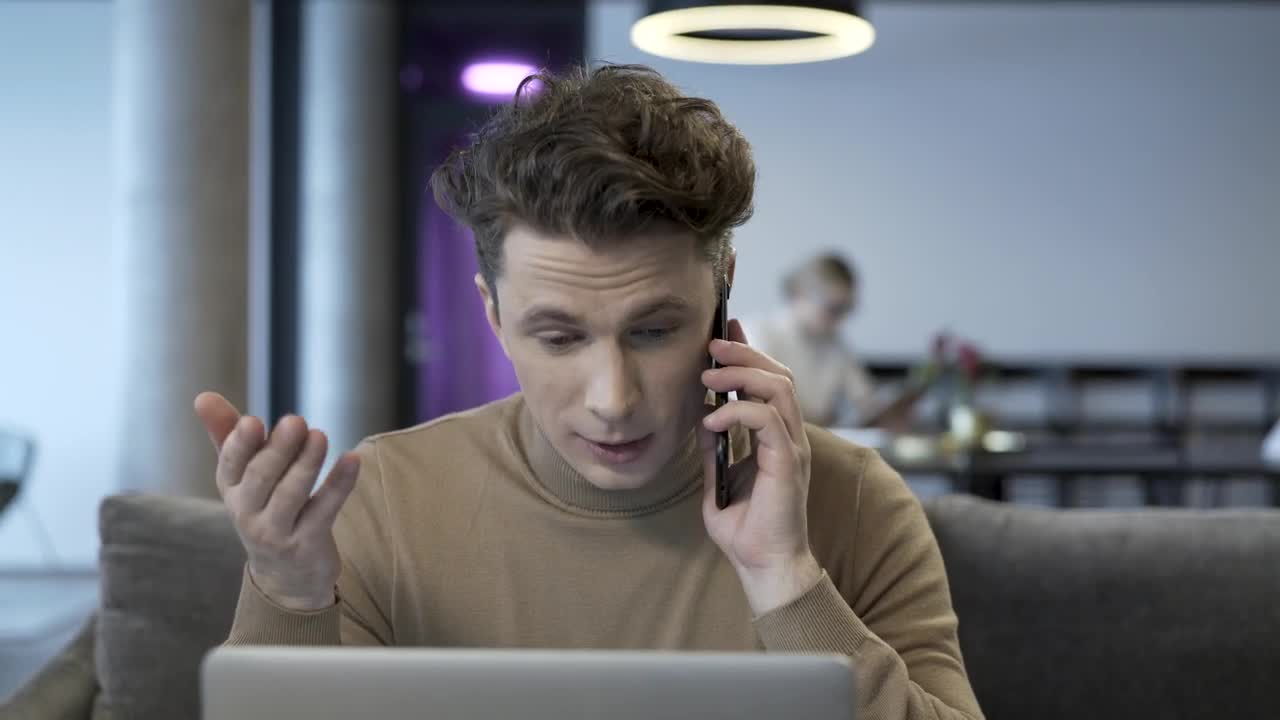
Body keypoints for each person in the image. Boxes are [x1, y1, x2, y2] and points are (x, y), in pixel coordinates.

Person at [193, 65, 981, 720]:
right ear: (493, 316)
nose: (613, 398)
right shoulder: (385, 502)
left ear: (721, 295)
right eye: (560, 337)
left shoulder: (855, 502)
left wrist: (785, 576)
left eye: (653, 330)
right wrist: (291, 595)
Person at [744, 254, 922, 428]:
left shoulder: (834, 343)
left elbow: (866, 401)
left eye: (847, 309)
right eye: (833, 308)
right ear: (799, 294)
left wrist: (893, 406)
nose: (841, 320)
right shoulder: (759, 333)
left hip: (816, 439)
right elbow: (769, 405)